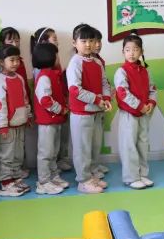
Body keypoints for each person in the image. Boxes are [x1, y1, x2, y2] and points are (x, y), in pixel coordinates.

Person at [67, 24, 111, 194]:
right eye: (83, 41)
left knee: (93, 146)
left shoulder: (97, 62)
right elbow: (75, 89)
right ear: (74, 43)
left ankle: (91, 175)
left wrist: (106, 98)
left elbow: (104, 83)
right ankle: (83, 181)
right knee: (82, 149)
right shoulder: (75, 63)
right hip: (82, 113)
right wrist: (97, 99)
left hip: (96, 111)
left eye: (91, 41)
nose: (88, 44)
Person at [114, 34, 158, 189]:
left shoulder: (145, 71)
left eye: (135, 49)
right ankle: (131, 177)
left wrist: (151, 103)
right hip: (129, 114)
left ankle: (142, 174)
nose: (131, 53)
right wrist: (140, 106)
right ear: (123, 52)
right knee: (129, 145)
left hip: (144, 114)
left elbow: (153, 89)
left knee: (142, 144)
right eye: (127, 50)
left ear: (141, 51)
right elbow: (123, 93)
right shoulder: (121, 71)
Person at [32, 27, 73, 173]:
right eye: (56, 56)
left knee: (54, 150)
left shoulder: (52, 74)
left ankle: (53, 174)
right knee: (46, 152)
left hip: (55, 119)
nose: (58, 58)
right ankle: (44, 180)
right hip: (48, 120)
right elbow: (45, 100)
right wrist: (61, 109)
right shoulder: (44, 76)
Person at [0, 45, 31, 197]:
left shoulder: (19, 78)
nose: (15, 63)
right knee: (6, 154)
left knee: (17, 153)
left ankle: (14, 178)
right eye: (11, 60)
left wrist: (27, 115)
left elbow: (25, 99)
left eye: (17, 60)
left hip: (19, 123)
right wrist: (2, 126)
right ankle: (5, 183)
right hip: (7, 126)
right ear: (1, 62)